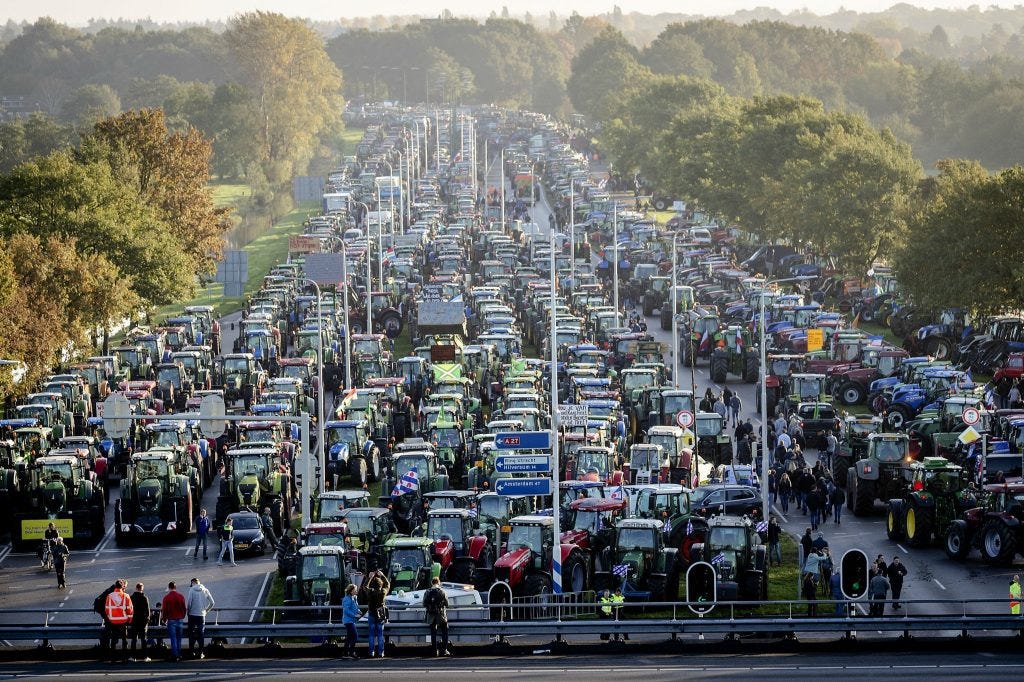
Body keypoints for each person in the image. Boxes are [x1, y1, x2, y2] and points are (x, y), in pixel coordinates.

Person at [105, 579, 134, 663]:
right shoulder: (126, 596)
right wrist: (129, 619)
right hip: (123, 621)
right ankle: (124, 658)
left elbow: (106, 609)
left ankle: (113, 658)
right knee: (124, 639)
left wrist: (110, 617)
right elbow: (130, 609)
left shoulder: (109, 596)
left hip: (113, 621)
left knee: (114, 639)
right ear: (122, 587)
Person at [186, 577, 215, 659]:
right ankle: (201, 652)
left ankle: (192, 652)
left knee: (191, 634)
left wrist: (188, 612)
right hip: (201, 615)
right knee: (201, 634)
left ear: (193, 583)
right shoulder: (205, 590)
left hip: (192, 615)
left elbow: (189, 603)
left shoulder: (191, 590)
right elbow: (212, 603)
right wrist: (206, 611)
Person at [363, 570, 390, 658]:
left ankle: (371, 652)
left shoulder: (370, 591)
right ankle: (380, 652)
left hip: (371, 613)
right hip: (381, 614)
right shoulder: (383, 592)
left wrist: (370, 577)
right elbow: (388, 584)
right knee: (380, 634)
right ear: (380, 584)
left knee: (371, 634)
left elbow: (364, 586)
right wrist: (382, 575)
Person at [423, 577, 452, 657]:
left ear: (432, 583)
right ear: (439, 582)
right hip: (441, 615)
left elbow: (424, 604)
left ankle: (434, 651)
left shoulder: (427, 591)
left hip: (431, 616)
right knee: (445, 630)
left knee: (433, 633)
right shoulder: (442, 591)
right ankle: (444, 650)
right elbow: (447, 604)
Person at [161, 581, 187, 662]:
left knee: (173, 639)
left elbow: (164, 610)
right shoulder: (181, 596)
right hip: (179, 620)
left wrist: (164, 619)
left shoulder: (166, 598)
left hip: (171, 620)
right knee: (179, 639)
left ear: (169, 587)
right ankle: (179, 654)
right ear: (175, 587)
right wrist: (182, 616)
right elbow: (184, 608)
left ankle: (175, 655)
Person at [94, 581, 120, 651]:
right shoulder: (112, 593)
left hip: (106, 614)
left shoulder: (109, 590)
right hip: (108, 615)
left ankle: (106, 647)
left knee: (108, 630)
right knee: (111, 630)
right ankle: (110, 648)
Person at [129, 583, 151, 662]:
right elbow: (148, 612)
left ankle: (133, 657)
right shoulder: (144, 598)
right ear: (142, 588)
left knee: (134, 639)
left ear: (136, 588)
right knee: (143, 640)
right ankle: (145, 657)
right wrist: (147, 621)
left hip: (134, 621)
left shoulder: (131, 598)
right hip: (142, 622)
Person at [342, 584, 361, 660]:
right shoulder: (347, 599)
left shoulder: (353, 598)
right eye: (355, 590)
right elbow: (346, 610)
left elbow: (355, 608)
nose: (356, 591)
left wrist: (359, 612)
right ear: (351, 591)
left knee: (349, 637)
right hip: (348, 620)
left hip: (351, 620)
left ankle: (345, 653)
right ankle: (351, 652)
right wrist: (355, 615)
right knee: (355, 636)